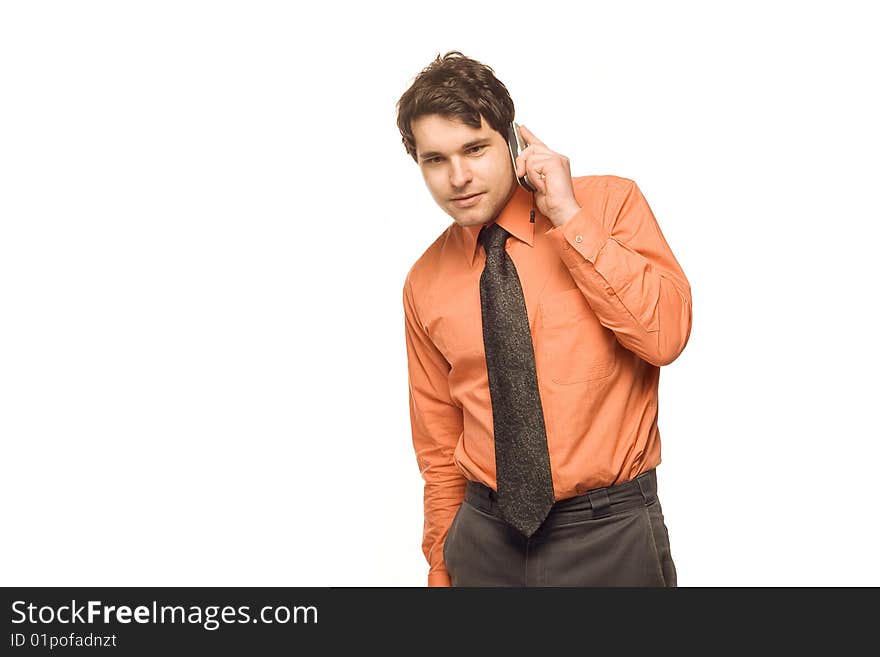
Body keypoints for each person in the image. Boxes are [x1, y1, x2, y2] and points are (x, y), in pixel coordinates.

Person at [397, 51, 693, 587]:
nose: (458, 177)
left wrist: (567, 216)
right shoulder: (424, 281)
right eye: (435, 159)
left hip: (609, 534)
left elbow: (665, 336)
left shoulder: (606, 206)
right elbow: (439, 445)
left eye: (475, 149)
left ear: (512, 142)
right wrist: (441, 565)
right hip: (483, 540)